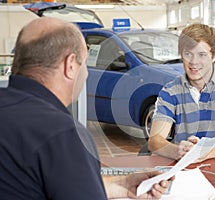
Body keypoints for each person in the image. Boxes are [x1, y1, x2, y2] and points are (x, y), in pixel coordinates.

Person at [0, 17, 173, 200]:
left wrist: (122, 184)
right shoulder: (62, 134)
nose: (87, 73)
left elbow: (52, 184)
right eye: (85, 63)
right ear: (71, 65)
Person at [148, 23, 215, 162]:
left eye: (201, 54)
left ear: (214, 56)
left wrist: (203, 153)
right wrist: (178, 151)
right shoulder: (170, 91)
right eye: (188, 54)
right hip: (184, 166)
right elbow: (154, 141)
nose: (193, 62)